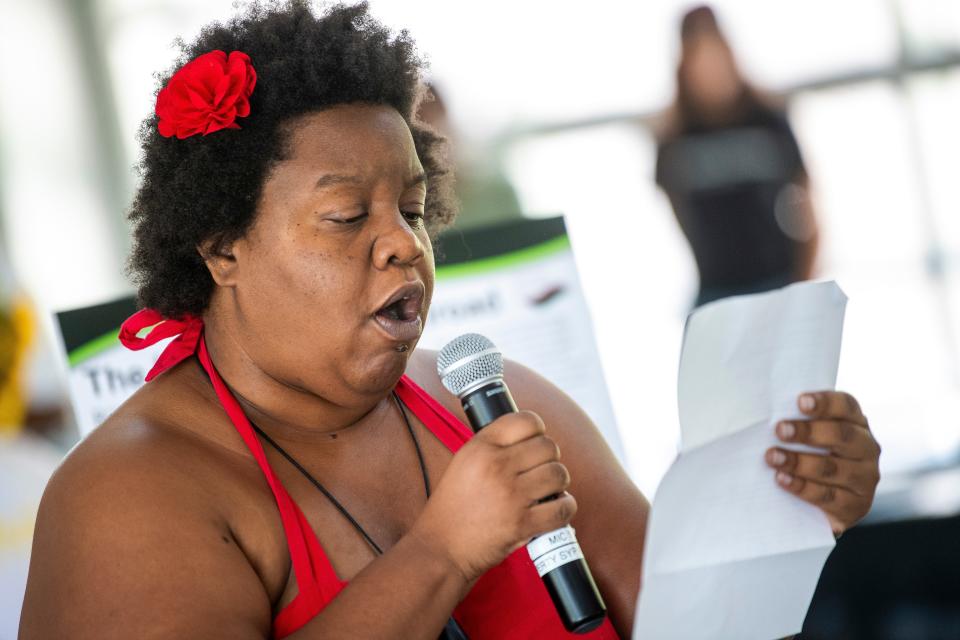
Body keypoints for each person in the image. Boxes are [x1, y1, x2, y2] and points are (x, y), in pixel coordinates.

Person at [19, 3, 880, 638]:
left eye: (416, 208)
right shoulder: (126, 495)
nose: (403, 244)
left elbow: (685, 620)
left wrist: (784, 512)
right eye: (349, 215)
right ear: (221, 247)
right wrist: (443, 552)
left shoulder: (497, 403)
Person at [656, 5, 820, 308]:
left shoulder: (769, 121)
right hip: (717, 295)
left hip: (779, 284)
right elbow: (676, 210)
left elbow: (806, 202)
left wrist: (803, 282)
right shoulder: (674, 140)